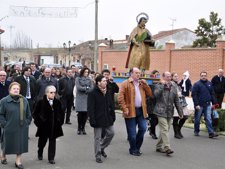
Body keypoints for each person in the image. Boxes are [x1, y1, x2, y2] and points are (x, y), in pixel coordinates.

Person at [118, 67, 152, 156]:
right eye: (136, 73)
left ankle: (136, 147)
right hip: (130, 111)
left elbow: (150, 94)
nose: (138, 74)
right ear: (131, 74)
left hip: (141, 110)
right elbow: (120, 98)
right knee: (132, 134)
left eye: (139, 73)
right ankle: (133, 149)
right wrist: (124, 109)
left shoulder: (142, 84)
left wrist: (146, 85)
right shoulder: (125, 84)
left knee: (143, 128)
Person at [0, 82, 32, 169]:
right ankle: (3, 156)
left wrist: (27, 122)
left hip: (22, 127)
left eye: (17, 89)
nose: (16, 90)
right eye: (14, 88)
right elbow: (1, 114)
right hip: (9, 127)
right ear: (10, 90)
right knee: (6, 143)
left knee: (20, 144)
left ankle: (18, 161)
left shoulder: (24, 100)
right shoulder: (4, 101)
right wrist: (4, 124)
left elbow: (28, 113)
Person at [33, 85, 64, 164]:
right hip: (44, 127)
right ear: (46, 93)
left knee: (52, 142)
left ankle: (51, 158)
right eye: (51, 92)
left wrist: (60, 122)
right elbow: (35, 114)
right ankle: (40, 151)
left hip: (54, 126)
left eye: (54, 92)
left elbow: (61, 113)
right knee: (42, 142)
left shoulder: (57, 102)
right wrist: (39, 123)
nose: (53, 94)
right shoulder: (40, 102)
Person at [154, 72, 183, 155]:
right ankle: (167, 147)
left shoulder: (174, 86)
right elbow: (155, 95)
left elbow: (176, 100)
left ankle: (159, 147)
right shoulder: (159, 85)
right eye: (167, 76)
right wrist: (163, 86)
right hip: (160, 111)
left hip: (170, 112)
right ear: (163, 77)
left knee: (165, 130)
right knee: (165, 129)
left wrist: (180, 112)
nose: (169, 78)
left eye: (170, 76)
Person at [88, 75, 115, 163]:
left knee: (111, 133)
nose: (105, 82)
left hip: (107, 117)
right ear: (98, 82)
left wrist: (113, 115)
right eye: (103, 81)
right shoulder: (93, 92)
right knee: (98, 137)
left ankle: (102, 147)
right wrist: (92, 119)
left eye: (106, 81)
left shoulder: (108, 91)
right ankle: (98, 155)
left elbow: (111, 104)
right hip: (97, 118)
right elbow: (90, 108)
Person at [192, 71, 219, 138]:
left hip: (207, 105)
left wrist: (214, 103)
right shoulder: (196, 84)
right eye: (202, 75)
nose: (204, 77)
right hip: (199, 105)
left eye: (205, 75)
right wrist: (196, 104)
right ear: (200, 76)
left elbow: (212, 94)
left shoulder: (209, 83)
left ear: (206, 76)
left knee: (208, 119)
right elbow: (194, 95)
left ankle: (211, 133)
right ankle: (196, 131)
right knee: (197, 119)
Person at [75, 67, 94, 135]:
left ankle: (83, 128)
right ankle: (79, 128)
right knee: (80, 114)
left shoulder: (90, 79)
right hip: (80, 98)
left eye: (87, 72)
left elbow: (92, 88)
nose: (86, 73)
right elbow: (78, 87)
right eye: (85, 72)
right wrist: (86, 88)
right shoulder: (78, 78)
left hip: (87, 97)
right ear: (82, 72)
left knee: (85, 114)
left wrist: (86, 89)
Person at [171, 72, 189, 139]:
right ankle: (176, 133)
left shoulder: (178, 84)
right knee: (176, 118)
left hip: (182, 103)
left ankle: (178, 130)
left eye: (177, 76)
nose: (177, 77)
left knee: (185, 117)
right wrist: (177, 94)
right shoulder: (171, 84)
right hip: (175, 103)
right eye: (175, 76)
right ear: (172, 77)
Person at [0, 71, 11, 149]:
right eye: (1, 75)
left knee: (5, 123)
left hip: (7, 107)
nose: (2, 77)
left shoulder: (9, 84)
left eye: (4, 75)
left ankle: (4, 137)